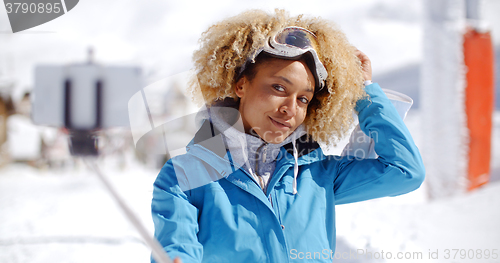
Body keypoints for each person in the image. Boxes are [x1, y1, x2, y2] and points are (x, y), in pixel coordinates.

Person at [151, 9, 425, 263]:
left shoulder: (319, 177)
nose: (290, 109)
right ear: (241, 84)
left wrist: (365, 92)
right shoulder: (184, 176)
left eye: (304, 98)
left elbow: (405, 171)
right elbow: (176, 246)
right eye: (279, 88)